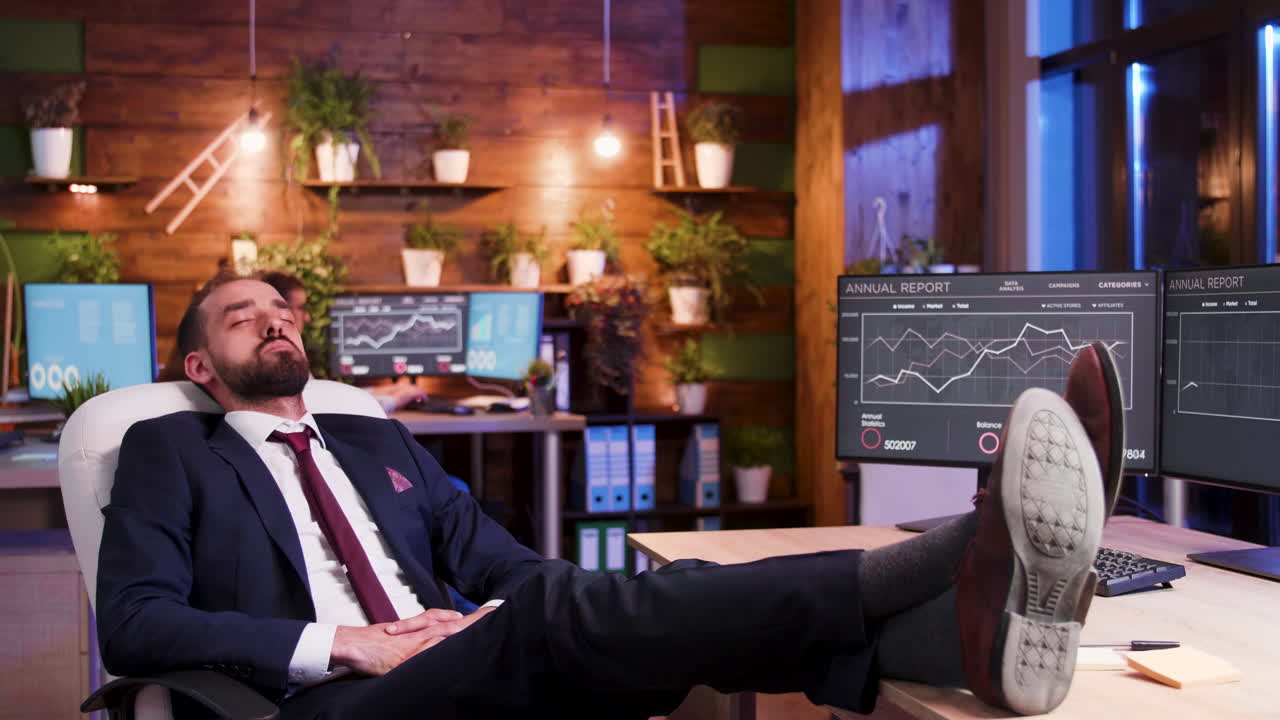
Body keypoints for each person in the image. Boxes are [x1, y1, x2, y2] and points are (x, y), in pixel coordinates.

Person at [96, 276, 1120, 719]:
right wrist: (349, 644)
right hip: (324, 704)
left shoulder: (372, 436)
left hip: (453, 664)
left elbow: (493, 558)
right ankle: (957, 554)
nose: (273, 322)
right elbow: (136, 625)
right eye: (242, 317)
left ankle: (951, 635)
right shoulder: (170, 449)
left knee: (578, 613)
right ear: (199, 360)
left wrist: (517, 607)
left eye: (281, 310)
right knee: (567, 614)